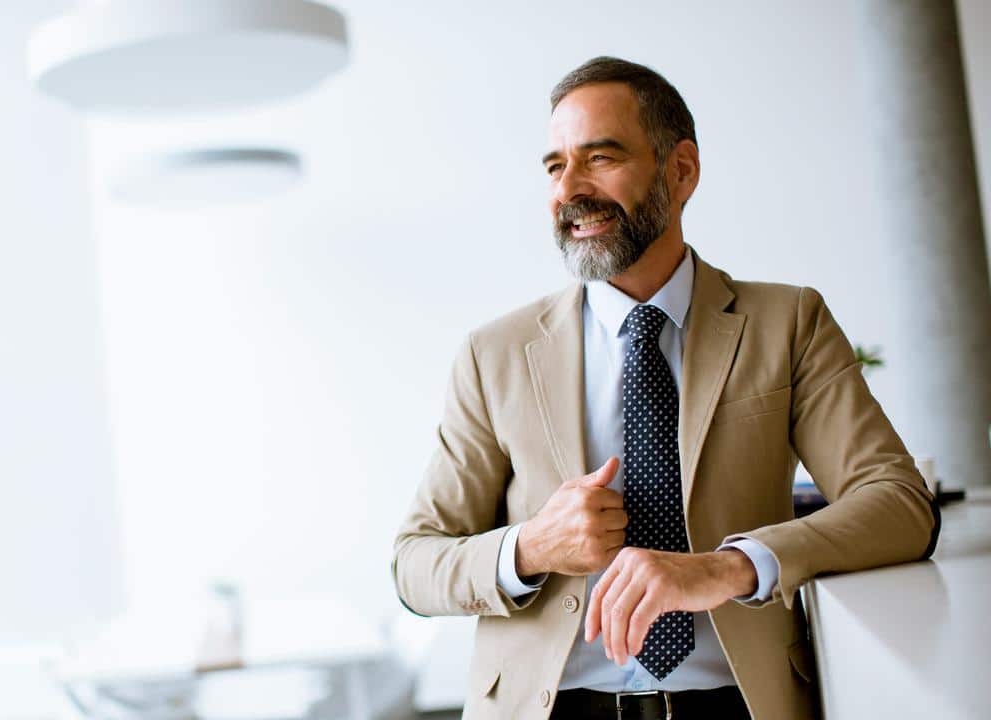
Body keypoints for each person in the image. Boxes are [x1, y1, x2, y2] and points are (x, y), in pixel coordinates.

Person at [390, 56, 937, 720]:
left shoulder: (787, 322)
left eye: (600, 157)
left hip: (738, 703)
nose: (572, 188)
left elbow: (899, 504)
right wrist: (530, 547)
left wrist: (729, 567)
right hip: (551, 708)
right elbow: (416, 565)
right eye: (556, 167)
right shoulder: (494, 354)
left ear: (681, 171)